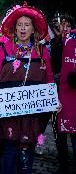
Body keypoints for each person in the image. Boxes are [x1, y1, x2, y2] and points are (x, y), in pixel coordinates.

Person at [0, 2, 59, 174]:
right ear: (14, 28)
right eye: (19, 25)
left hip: (31, 115)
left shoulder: (42, 51)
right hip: (8, 112)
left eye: (27, 25)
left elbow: (48, 79)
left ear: (33, 29)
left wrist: (55, 98)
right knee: (9, 151)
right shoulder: (3, 50)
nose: (23, 28)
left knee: (27, 151)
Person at [50, 14, 75, 172]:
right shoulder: (56, 43)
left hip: (71, 93)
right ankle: (63, 162)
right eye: (61, 25)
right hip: (57, 90)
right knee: (57, 130)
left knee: (73, 129)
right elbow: (53, 65)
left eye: (67, 25)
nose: (64, 29)